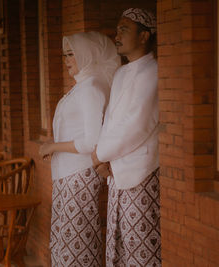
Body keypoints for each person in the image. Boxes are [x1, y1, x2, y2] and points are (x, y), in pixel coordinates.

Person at [39, 31, 120, 267]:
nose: (66, 60)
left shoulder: (91, 87)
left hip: (79, 177)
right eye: (65, 55)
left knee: (76, 243)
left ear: (87, 54)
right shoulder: (81, 86)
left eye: (71, 54)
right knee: (64, 242)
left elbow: (91, 142)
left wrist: (52, 146)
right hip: (67, 176)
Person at [91, 8, 161, 267]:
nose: (116, 35)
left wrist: (100, 154)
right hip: (117, 172)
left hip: (140, 175)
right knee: (119, 245)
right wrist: (102, 158)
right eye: (117, 29)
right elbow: (110, 121)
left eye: (124, 29)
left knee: (139, 245)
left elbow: (135, 125)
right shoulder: (122, 73)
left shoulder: (153, 72)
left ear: (144, 36)